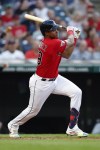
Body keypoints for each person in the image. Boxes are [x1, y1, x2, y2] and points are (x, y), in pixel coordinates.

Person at [8, 19, 88, 138]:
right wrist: (72, 32)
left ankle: (72, 127)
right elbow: (69, 42)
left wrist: (74, 37)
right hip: (41, 82)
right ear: (46, 33)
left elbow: (67, 54)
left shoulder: (54, 42)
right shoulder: (51, 43)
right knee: (33, 110)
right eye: (53, 30)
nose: (56, 31)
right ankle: (13, 124)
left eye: (56, 28)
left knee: (77, 92)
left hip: (55, 78)